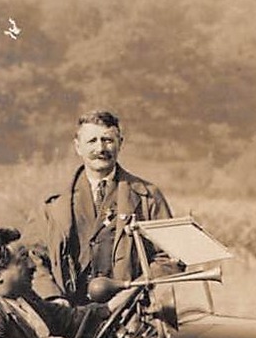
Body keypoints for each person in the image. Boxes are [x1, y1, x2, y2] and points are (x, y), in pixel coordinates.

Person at [30, 110, 174, 303]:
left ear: (120, 143)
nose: (101, 148)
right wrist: (53, 298)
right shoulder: (53, 203)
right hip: (68, 314)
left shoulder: (148, 196)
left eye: (107, 140)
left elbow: (169, 258)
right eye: (92, 141)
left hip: (132, 312)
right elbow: (33, 257)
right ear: (77, 147)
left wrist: (132, 292)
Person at [0, 227, 94, 338]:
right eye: (23, 258)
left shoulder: (19, 293)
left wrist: (110, 307)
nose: (33, 265)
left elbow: (65, 318)